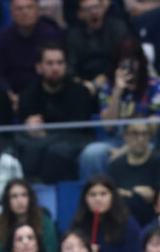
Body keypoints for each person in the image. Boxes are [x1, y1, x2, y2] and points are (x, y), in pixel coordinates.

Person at [80, 36, 160, 181]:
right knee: (92, 153)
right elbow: (108, 126)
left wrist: (126, 149)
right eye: (124, 62)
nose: (129, 66)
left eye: (133, 61)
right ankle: (97, 191)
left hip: (145, 140)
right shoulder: (108, 87)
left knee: (156, 153)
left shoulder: (155, 86)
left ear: (140, 61)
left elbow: (152, 128)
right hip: (115, 141)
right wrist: (117, 91)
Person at [15, 43, 99, 183]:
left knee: (56, 150)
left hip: (74, 143)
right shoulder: (27, 95)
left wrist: (45, 134)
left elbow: (77, 130)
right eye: (49, 63)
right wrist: (29, 128)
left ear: (66, 66)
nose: (55, 68)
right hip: (39, 145)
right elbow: (23, 130)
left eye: (60, 63)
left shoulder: (80, 93)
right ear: (39, 67)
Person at [0, 0, 63, 103]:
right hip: (12, 94)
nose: (25, 12)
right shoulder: (2, 37)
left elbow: (58, 67)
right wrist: (8, 93)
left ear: (38, 10)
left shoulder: (51, 34)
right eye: (19, 9)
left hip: (45, 92)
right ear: (12, 13)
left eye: (30, 7)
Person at [69, 175, 142, 252]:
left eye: (103, 194)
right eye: (92, 195)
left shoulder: (128, 224)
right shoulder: (78, 224)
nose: (98, 199)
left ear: (113, 196)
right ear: (85, 199)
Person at [0, 178, 60, 252]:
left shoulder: (45, 223)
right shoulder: (4, 225)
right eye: (14, 196)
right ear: (7, 201)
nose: (20, 200)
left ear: (30, 198)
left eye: (24, 195)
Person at [109, 119, 160, 225]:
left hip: (156, 220)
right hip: (124, 220)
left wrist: (153, 195)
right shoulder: (116, 165)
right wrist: (135, 193)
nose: (141, 139)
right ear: (125, 136)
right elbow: (112, 194)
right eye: (135, 134)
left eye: (145, 134)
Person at [66, 0, 131, 91]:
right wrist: (81, 84)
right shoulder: (73, 36)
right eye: (88, 9)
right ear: (80, 14)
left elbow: (124, 59)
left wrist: (103, 78)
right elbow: (71, 67)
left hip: (115, 80)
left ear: (103, 8)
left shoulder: (118, 28)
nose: (94, 12)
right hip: (84, 85)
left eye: (96, 6)